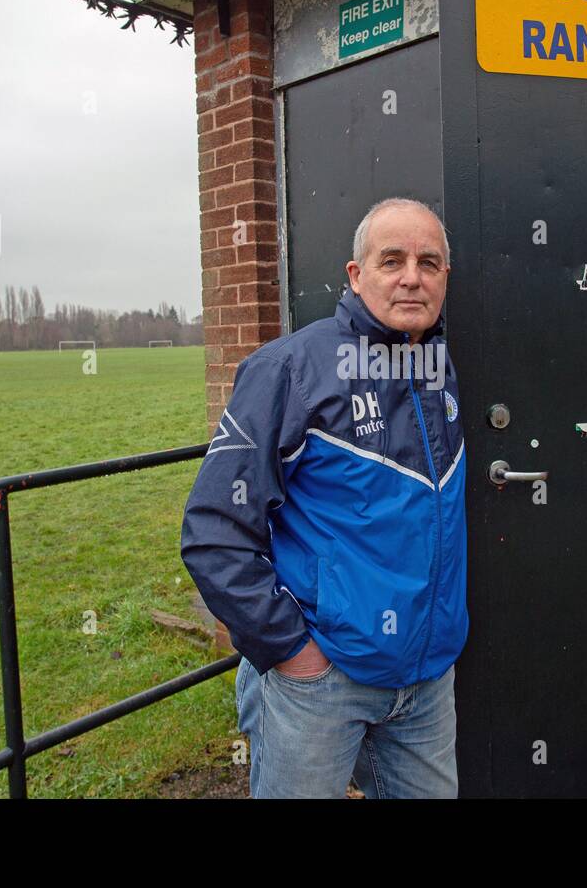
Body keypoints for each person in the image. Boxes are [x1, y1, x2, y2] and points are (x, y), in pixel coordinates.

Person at [180, 197, 466, 798]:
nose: (412, 275)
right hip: (321, 679)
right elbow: (214, 532)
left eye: (429, 262)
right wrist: (292, 652)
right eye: (392, 260)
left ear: (445, 278)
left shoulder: (437, 367)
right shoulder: (289, 369)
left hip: (427, 680)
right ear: (356, 277)